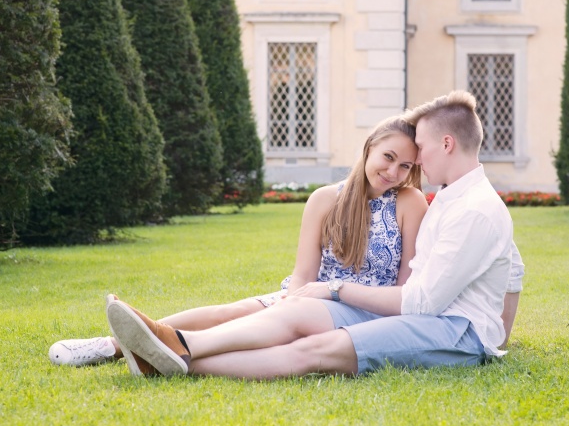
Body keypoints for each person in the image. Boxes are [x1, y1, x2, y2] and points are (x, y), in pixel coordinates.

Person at [106, 90, 524, 379]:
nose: (416, 163)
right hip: (414, 313)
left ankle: (175, 357)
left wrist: (493, 336)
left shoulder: (474, 209)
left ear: (446, 144)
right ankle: (177, 343)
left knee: (314, 350)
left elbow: (419, 301)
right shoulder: (453, 198)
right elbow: (512, 265)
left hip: (451, 328)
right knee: (295, 313)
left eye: (421, 150)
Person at [49, 115, 428, 371]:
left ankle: (169, 349)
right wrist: (289, 301)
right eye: (388, 157)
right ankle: (112, 346)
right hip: (306, 297)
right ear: (369, 148)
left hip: (361, 311)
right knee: (231, 311)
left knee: (258, 328)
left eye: (405, 166)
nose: (393, 172)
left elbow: (403, 290)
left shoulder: (409, 203)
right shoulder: (325, 199)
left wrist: (313, 304)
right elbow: (303, 273)